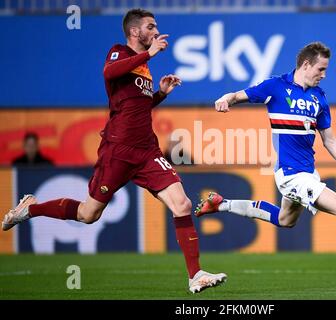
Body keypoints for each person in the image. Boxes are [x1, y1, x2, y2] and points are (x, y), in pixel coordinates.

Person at [2, 8, 226, 294]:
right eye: (150, 27)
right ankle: (29, 209)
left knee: (181, 204)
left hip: (146, 151)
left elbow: (134, 107)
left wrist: (159, 94)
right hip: (118, 150)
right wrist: (150, 54)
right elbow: (109, 72)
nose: (156, 32)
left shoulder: (143, 69)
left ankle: (195, 276)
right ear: (135, 31)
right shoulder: (119, 53)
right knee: (87, 214)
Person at [195, 42, 336, 291]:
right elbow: (238, 95)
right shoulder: (275, 86)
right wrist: (225, 99)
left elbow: (330, 140)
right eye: (321, 69)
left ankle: (222, 203)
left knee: (285, 220)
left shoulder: (319, 97)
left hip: (308, 174)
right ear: (306, 65)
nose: (324, 75)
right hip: (290, 175)